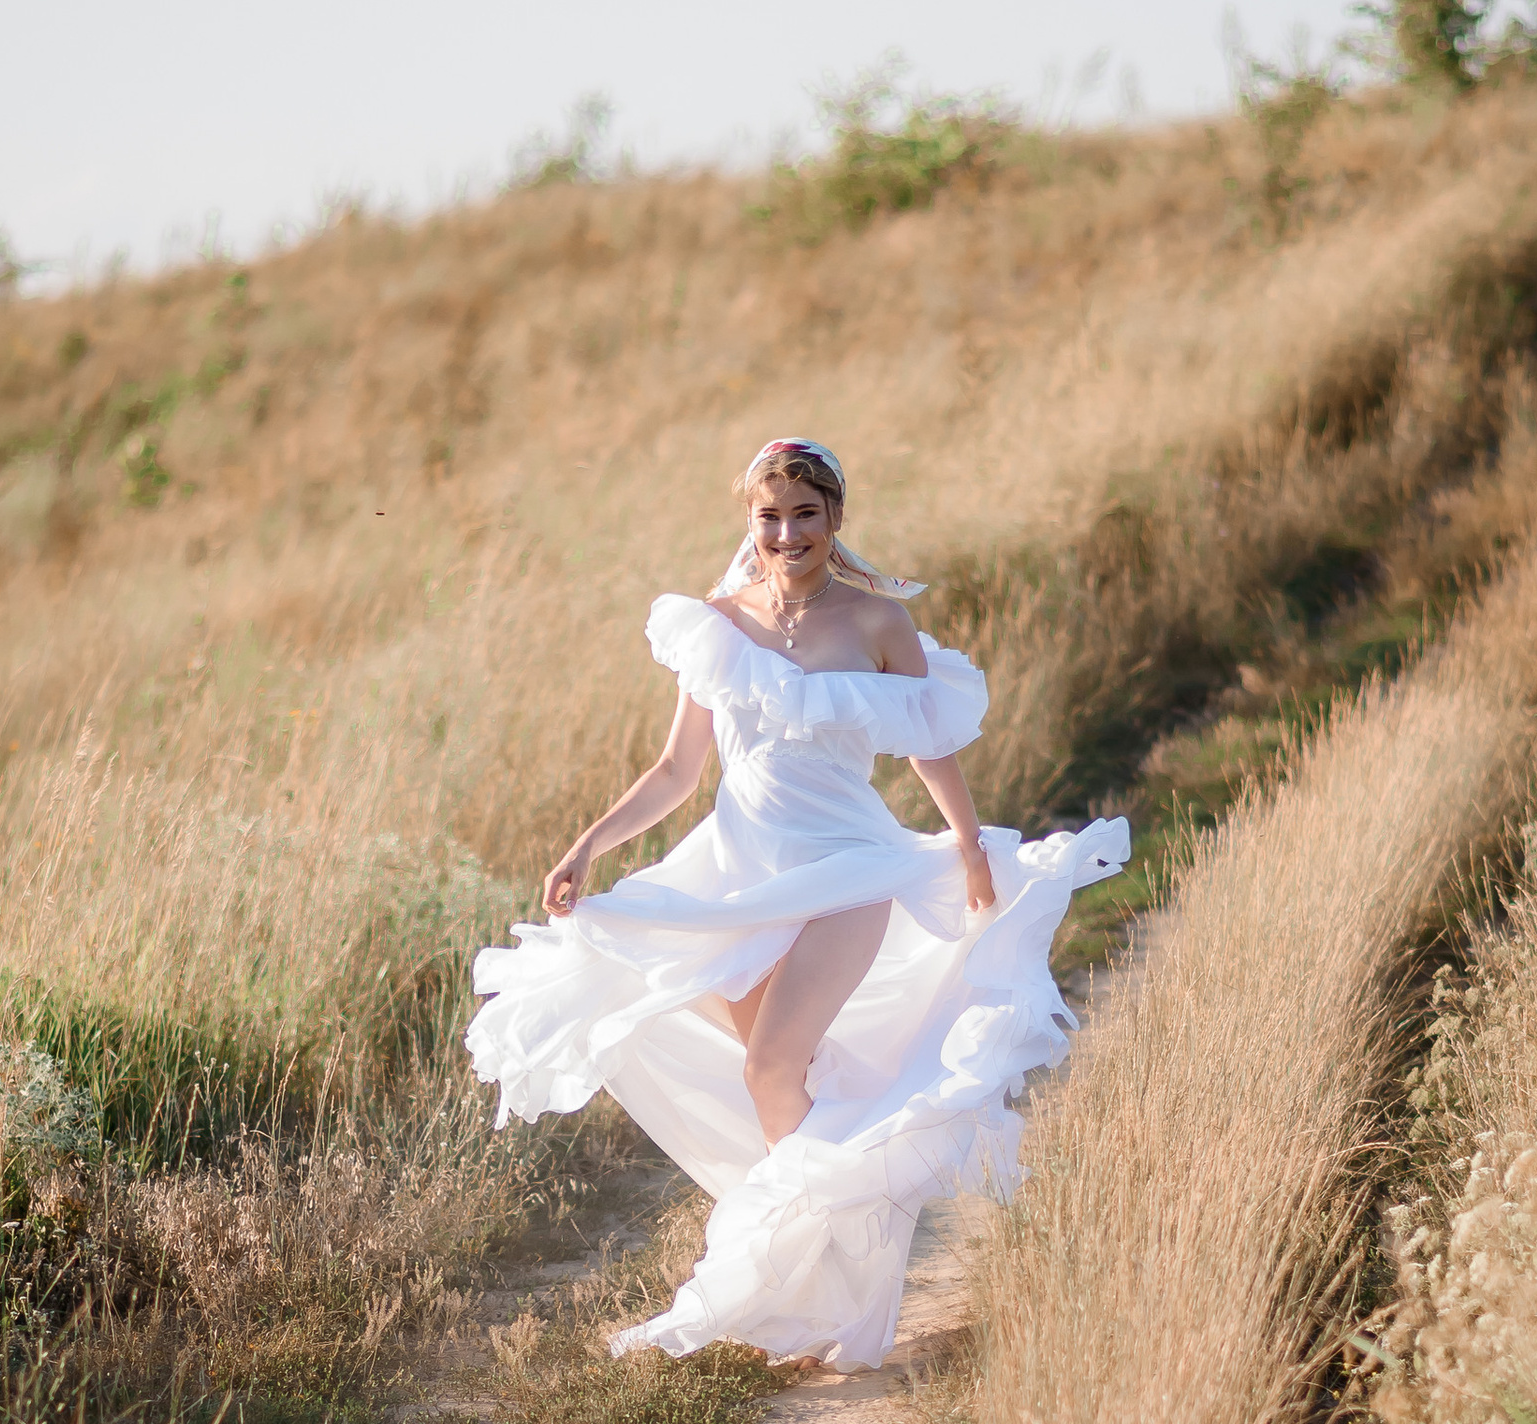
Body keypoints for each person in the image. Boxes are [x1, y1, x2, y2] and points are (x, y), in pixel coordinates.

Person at [466, 437, 1129, 1370]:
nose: (787, 533)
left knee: (773, 1067)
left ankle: (810, 1273)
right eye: (769, 516)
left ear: (835, 520)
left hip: (848, 867)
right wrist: (587, 844)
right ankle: (831, 1256)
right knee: (790, 1077)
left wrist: (972, 845)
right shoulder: (716, 625)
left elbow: (929, 745)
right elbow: (676, 771)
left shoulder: (877, 625)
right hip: (738, 876)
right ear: (750, 522)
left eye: (805, 514)